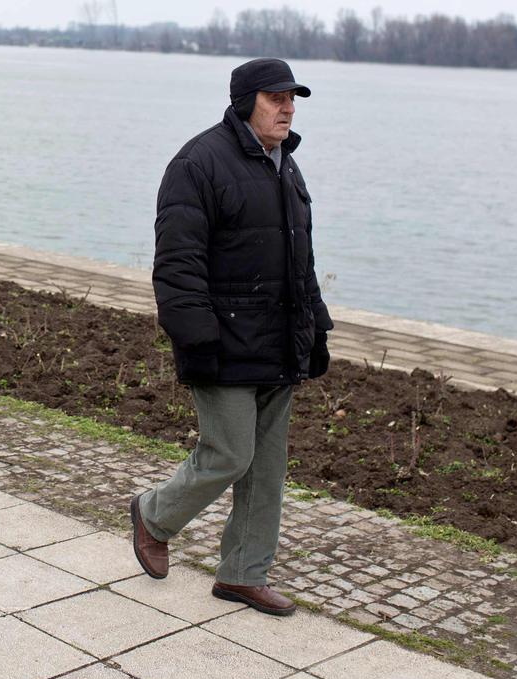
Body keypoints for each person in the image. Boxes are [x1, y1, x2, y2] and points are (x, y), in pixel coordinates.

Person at [130, 58, 333, 617]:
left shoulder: (284, 166)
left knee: (266, 469)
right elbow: (177, 264)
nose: (288, 108)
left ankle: (242, 575)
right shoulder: (198, 164)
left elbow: (301, 260)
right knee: (229, 454)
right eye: (276, 98)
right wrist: (195, 337)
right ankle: (153, 516)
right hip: (222, 341)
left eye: (293, 99)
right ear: (247, 102)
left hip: (278, 343)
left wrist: (315, 327)